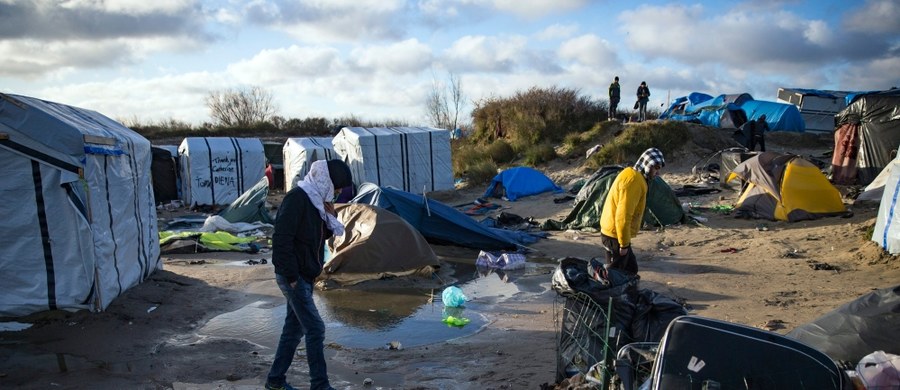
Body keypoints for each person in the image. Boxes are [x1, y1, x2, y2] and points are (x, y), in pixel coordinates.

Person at [266, 159, 352, 390]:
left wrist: (328, 219)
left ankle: (275, 381)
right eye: (336, 187)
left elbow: (313, 238)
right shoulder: (297, 199)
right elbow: (281, 239)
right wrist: (292, 276)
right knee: (315, 329)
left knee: (292, 331)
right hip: (294, 277)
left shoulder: (316, 201)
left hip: (304, 275)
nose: (337, 192)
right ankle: (320, 385)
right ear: (326, 180)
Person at [599, 148, 665, 275]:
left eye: (659, 168)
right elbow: (623, 216)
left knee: (630, 270)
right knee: (614, 275)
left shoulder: (633, 174)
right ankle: (605, 292)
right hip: (614, 236)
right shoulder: (633, 181)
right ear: (647, 165)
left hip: (616, 234)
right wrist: (623, 245)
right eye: (656, 167)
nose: (658, 172)